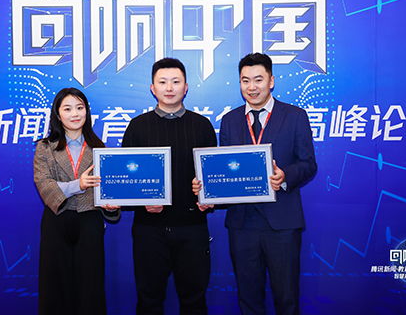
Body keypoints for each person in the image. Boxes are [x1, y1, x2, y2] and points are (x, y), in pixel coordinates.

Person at [194, 53, 317, 315]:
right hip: (242, 223)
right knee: (248, 298)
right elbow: (225, 169)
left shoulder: (295, 116)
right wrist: (208, 190)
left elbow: (308, 164)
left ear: (271, 81)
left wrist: (285, 175)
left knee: (287, 298)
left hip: (282, 222)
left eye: (258, 80)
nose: (252, 87)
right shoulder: (230, 120)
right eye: (245, 80)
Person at [122, 58, 217, 315]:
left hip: (192, 228)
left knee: (194, 301)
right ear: (153, 88)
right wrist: (141, 202)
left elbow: (213, 177)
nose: (169, 88)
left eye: (176, 82)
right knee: (149, 302)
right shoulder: (137, 126)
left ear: (186, 87)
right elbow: (126, 180)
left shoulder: (202, 125)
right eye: (162, 82)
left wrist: (210, 197)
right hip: (149, 230)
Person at [33, 87, 120, 315]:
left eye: (80, 108)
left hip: (90, 221)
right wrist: (77, 185)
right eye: (68, 108)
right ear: (57, 114)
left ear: (87, 112)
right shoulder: (44, 147)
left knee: (90, 288)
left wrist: (112, 206)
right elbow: (44, 185)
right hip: (56, 221)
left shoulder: (100, 149)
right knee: (54, 287)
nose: (75, 114)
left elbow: (108, 190)